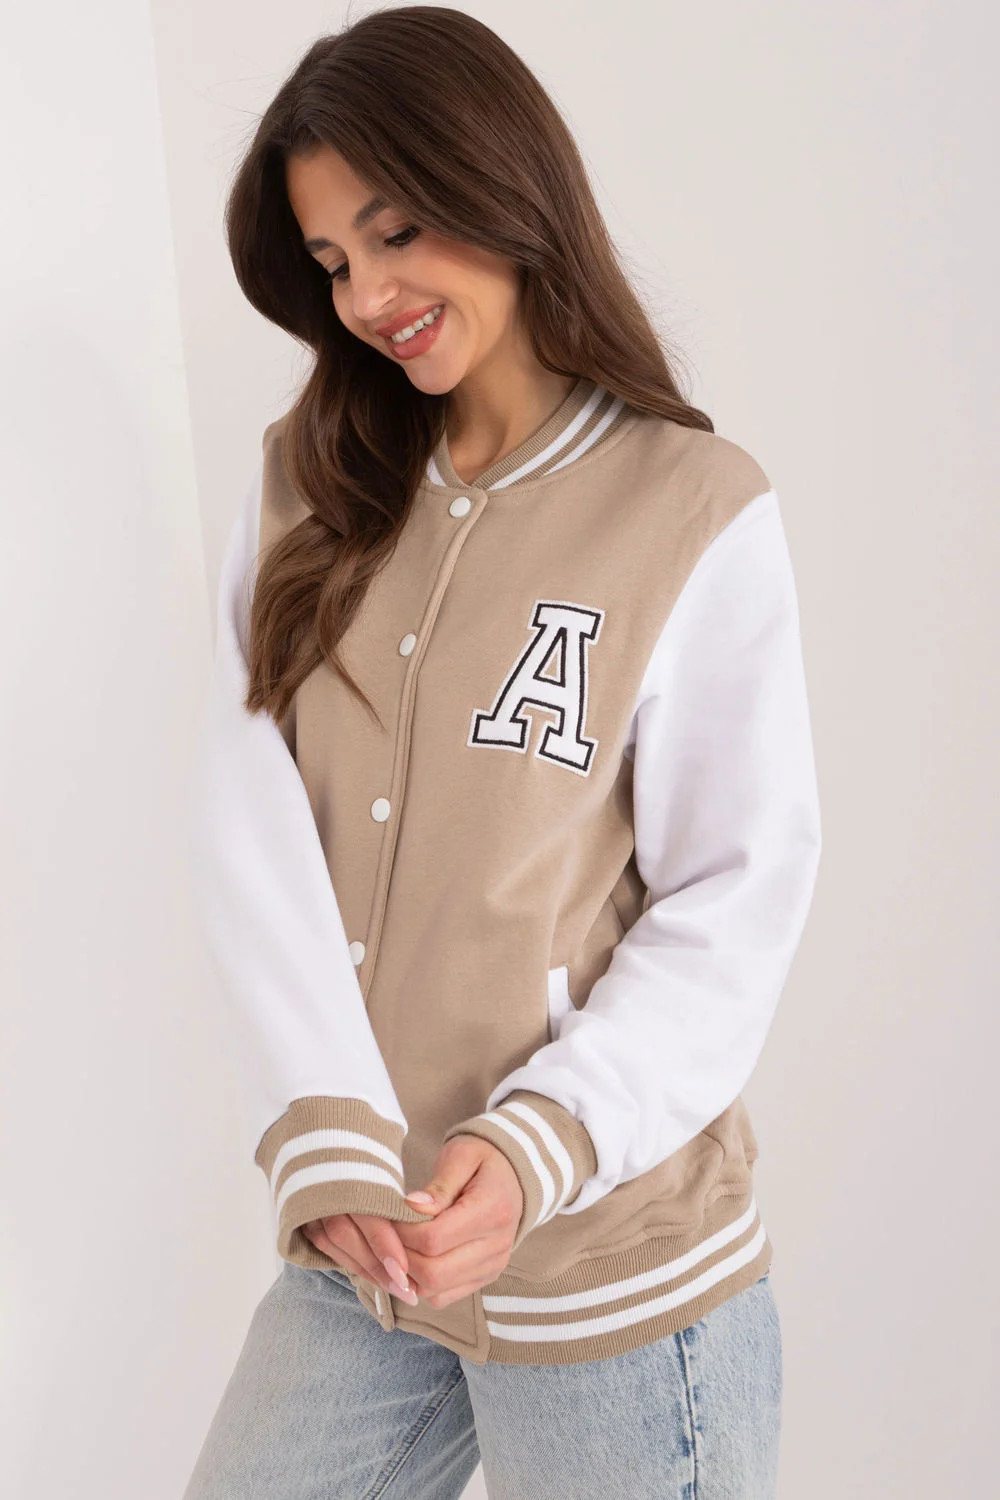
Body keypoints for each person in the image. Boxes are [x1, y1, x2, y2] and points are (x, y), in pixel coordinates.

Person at [183, 7, 821, 1496]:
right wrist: (324, 1131)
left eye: (396, 232)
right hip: (370, 1249)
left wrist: (546, 1139)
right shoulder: (312, 479)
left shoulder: (691, 505)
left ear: (502, 182)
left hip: (611, 1275)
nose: (368, 296)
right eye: (331, 261)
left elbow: (737, 891)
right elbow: (246, 808)